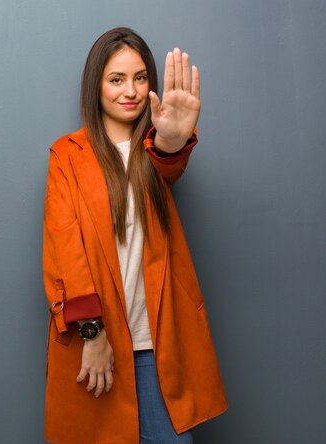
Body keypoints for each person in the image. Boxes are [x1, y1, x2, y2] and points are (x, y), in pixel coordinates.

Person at [42, 27, 228, 444]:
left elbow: (167, 164)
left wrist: (174, 139)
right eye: (117, 79)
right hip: (99, 352)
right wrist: (92, 334)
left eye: (141, 78)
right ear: (97, 85)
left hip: (158, 351)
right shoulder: (68, 156)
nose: (131, 91)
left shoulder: (154, 150)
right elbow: (64, 251)